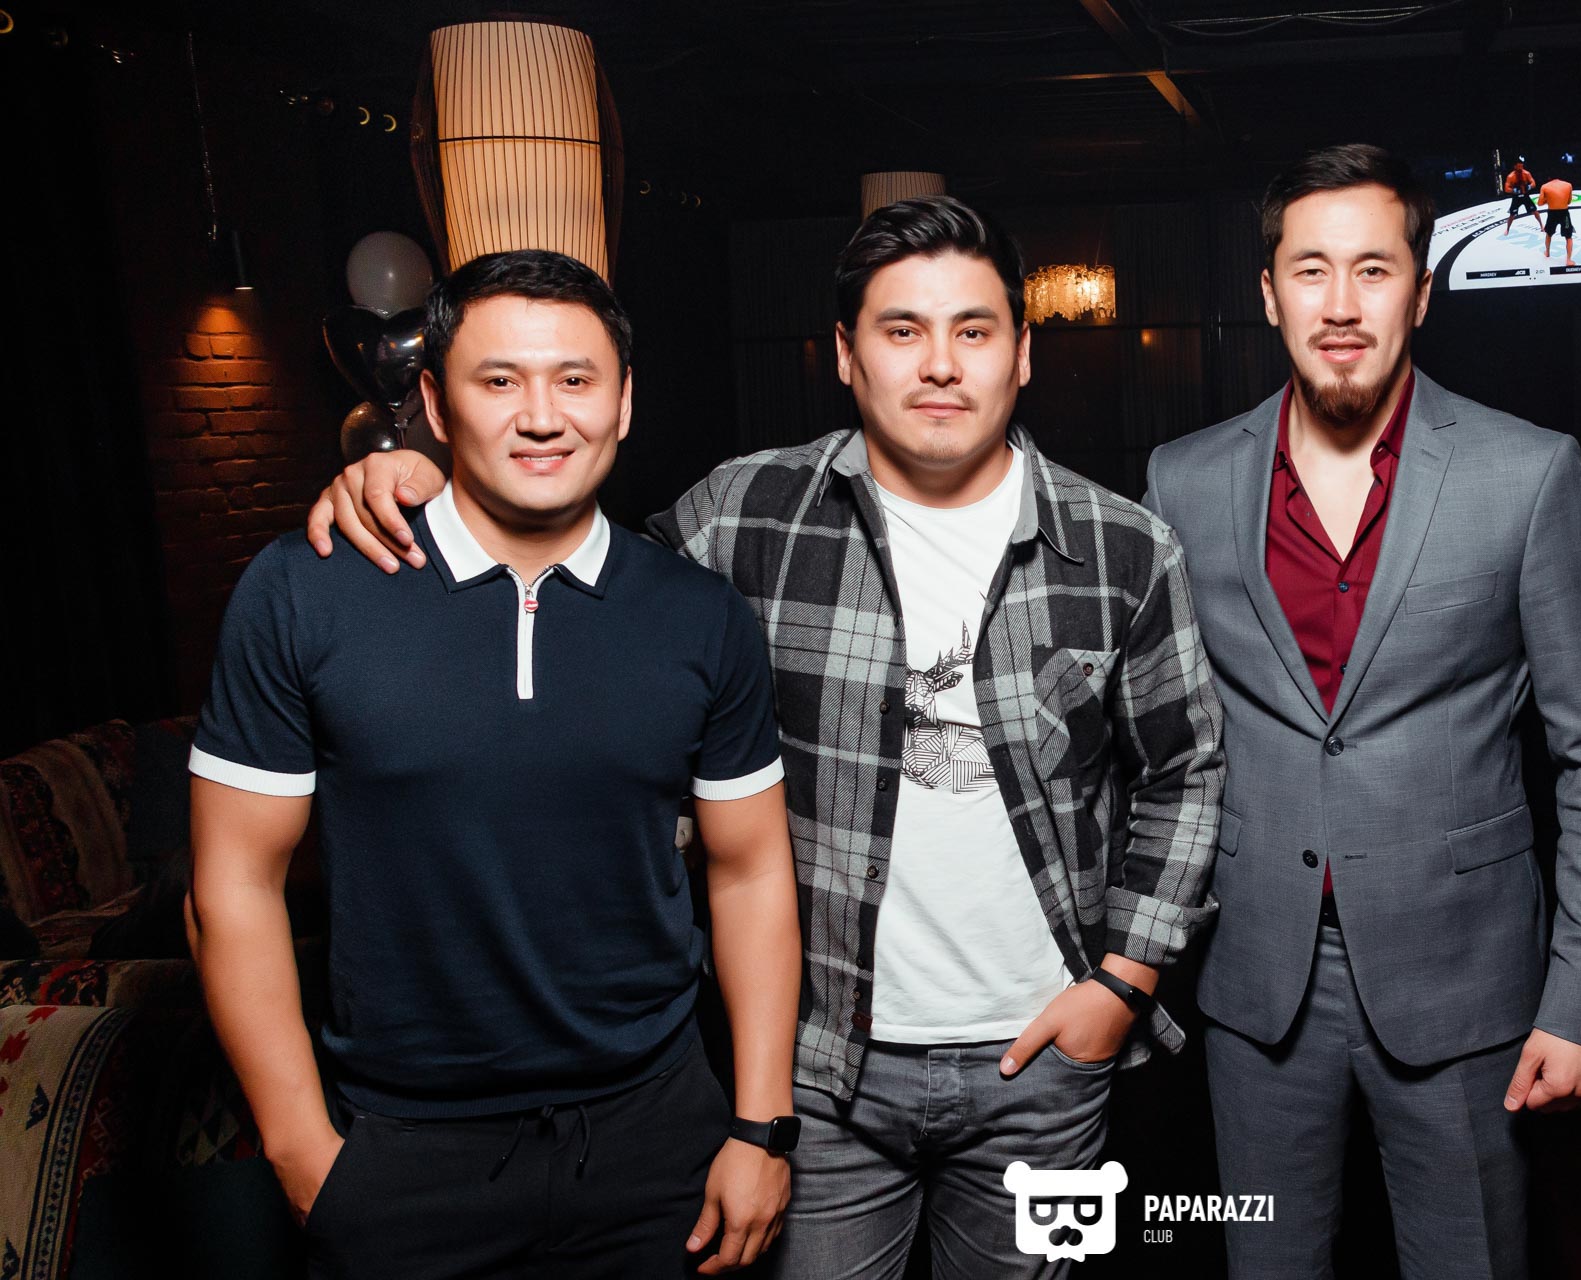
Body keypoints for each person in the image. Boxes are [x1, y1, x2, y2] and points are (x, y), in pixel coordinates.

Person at [303, 197, 1224, 1280]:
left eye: (972, 330)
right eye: (901, 329)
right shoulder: (744, 513)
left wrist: (1120, 985)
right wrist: (424, 473)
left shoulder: (1122, 547)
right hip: (818, 1073)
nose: (939, 364)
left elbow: (1185, 770)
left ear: (1020, 353)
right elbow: (577, 581)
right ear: (844, 354)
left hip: (1045, 1069)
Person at [189, 249, 802, 1278]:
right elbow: (231, 886)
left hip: (657, 1146)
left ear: (623, 401)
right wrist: (301, 1151)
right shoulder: (307, 591)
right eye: (499, 380)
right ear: (435, 402)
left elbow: (750, 872)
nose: (542, 416)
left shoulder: (699, 616)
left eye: (575, 379)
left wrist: (759, 1127)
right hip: (402, 1150)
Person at [1144, 144, 1581, 1279]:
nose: (1340, 303)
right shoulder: (1184, 480)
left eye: (1372, 269)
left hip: (1467, 982)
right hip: (1255, 978)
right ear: (1268, 292)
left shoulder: (1526, 473)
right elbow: (1159, 741)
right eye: (1310, 269)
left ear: (1420, 292)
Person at [1539, 174, 1576, 266]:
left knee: (1548, 234)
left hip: (1552, 213)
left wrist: (1549, 200)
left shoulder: (1545, 186)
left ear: (1549, 178)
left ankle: (1547, 252)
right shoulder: (1568, 185)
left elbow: (1539, 203)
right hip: (1564, 213)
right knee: (1568, 236)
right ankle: (1568, 260)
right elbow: (1569, 202)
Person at [1502, 156, 1542, 236]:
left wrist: (1529, 186)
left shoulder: (1526, 173)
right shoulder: (1511, 176)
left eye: (1521, 166)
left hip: (1525, 196)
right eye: (1519, 166)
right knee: (1512, 214)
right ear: (1515, 167)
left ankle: (1541, 225)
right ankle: (1507, 229)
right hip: (1516, 197)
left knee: (1535, 211)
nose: (1520, 168)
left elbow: (1533, 183)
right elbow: (1506, 188)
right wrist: (1515, 190)